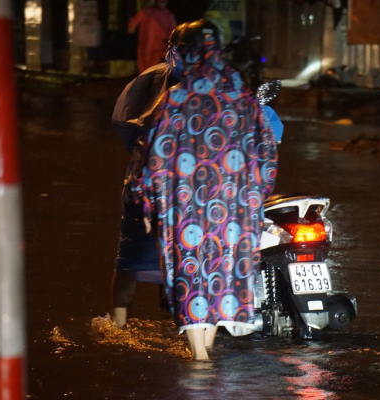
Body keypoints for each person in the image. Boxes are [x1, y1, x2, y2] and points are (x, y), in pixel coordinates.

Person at [137, 20, 278, 360]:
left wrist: (146, 203)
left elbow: (156, 155)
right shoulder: (243, 96)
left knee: (192, 272)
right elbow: (268, 154)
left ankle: (200, 359)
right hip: (236, 208)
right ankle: (206, 353)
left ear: (185, 52)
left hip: (188, 206)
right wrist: (256, 198)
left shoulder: (177, 97)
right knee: (221, 274)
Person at [110, 54, 179, 327]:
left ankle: (119, 328)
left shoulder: (173, 83)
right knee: (134, 256)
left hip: (162, 182)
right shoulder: (159, 80)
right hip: (168, 185)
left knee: (135, 257)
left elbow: (123, 123)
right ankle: (118, 326)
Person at [128, 0, 177, 73]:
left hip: (160, 48)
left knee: (156, 70)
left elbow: (173, 31)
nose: (162, 4)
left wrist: (169, 40)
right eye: (160, 2)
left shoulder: (169, 15)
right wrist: (132, 26)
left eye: (164, 2)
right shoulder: (146, 12)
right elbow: (134, 22)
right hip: (145, 47)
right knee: (144, 68)